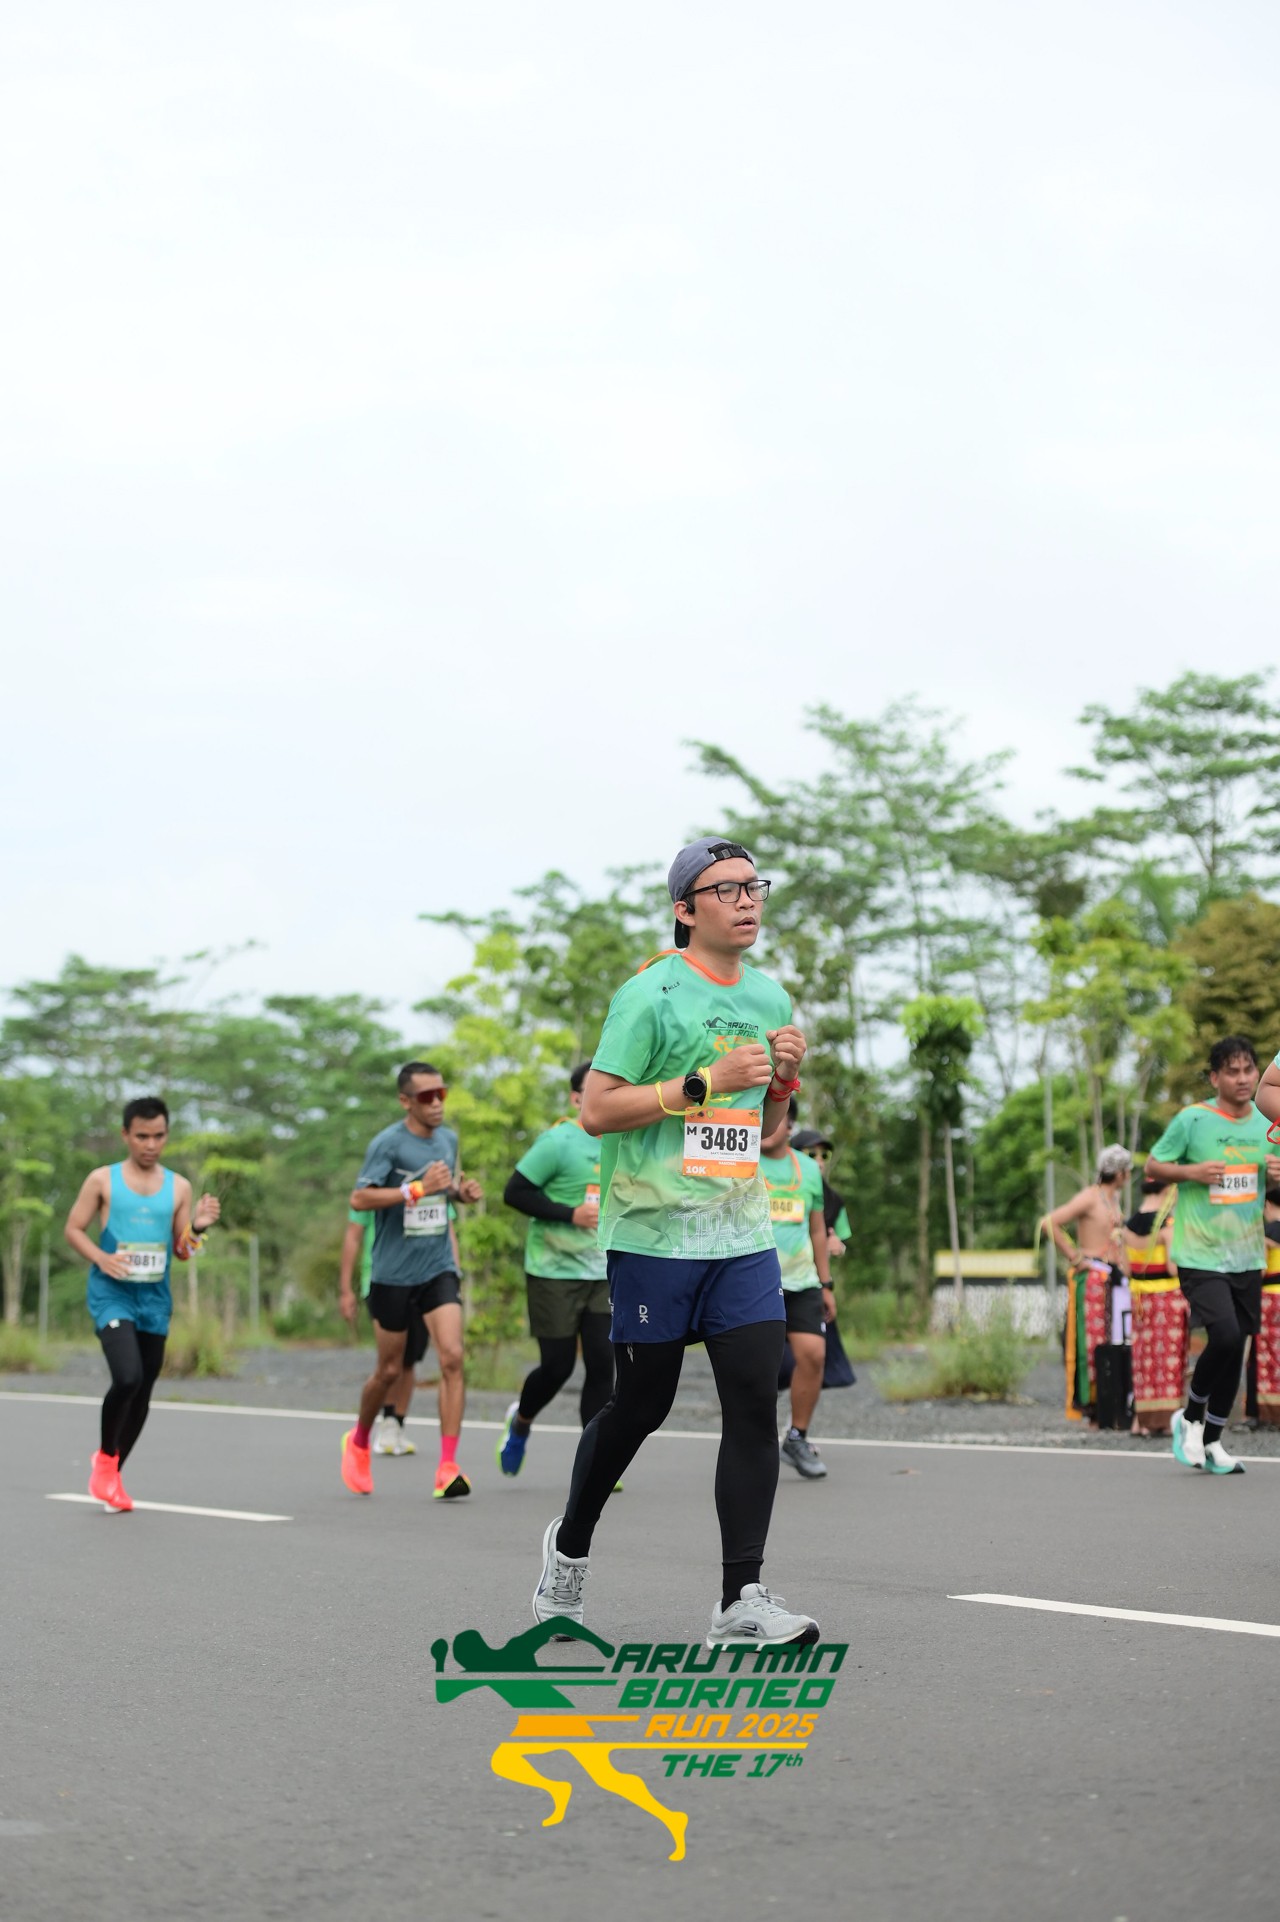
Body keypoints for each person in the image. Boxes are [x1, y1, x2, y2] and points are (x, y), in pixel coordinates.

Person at [531, 836, 818, 1648]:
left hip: (741, 1235)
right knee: (641, 1405)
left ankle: (740, 1598)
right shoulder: (648, 994)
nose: (747, 900)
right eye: (726, 889)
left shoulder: (769, 996)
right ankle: (569, 1550)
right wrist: (702, 1083)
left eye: (754, 886)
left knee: (753, 1402)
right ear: (685, 909)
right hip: (653, 1236)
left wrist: (782, 1082)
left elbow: (764, 1127)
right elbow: (597, 1110)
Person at [64, 1096, 221, 1511]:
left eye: (159, 1136)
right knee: (128, 1377)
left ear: (166, 1135)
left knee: (144, 1389)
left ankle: (112, 1474)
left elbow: (182, 1251)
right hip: (112, 1293)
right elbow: (73, 1229)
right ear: (125, 1135)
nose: (151, 1145)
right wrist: (101, 1258)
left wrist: (198, 1228)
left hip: (154, 1298)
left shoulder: (179, 1186)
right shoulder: (102, 1180)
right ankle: (105, 1459)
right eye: (142, 1136)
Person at [340, 1063, 482, 1500]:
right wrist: (414, 1190)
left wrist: (459, 1193)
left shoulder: (448, 1140)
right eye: (426, 1097)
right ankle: (359, 1441)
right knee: (388, 1369)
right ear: (406, 1101)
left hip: (437, 1267)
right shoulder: (388, 1144)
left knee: (452, 1358)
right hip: (392, 1274)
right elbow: (360, 1197)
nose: (437, 1103)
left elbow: (444, 1189)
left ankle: (447, 1467)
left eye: (441, 1093)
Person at [1148, 1036, 1280, 1475]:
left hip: (1248, 1254)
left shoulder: (1267, 1124)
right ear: (1214, 1077)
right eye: (1232, 1071)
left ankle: (1213, 1441)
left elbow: (1271, 1186)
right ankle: (1189, 1419)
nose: (1242, 1079)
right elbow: (1153, 1166)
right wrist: (1192, 1171)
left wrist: (1277, 1174)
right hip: (1199, 1253)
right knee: (1223, 1335)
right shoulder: (1193, 1120)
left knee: (1236, 1346)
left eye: (1248, 1070)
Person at [497, 1061, 613, 1477]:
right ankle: (521, 1421)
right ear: (577, 1097)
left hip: (603, 1273)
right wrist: (569, 1214)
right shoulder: (557, 1142)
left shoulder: (624, 1140)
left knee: (602, 1364)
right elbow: (515, 1193)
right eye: (594, 1087)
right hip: (554, 1272)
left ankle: (594, 1462)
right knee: (558, 1366)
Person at [762, 1110, 835, 1480]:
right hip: (755, 1283)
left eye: (769, 1115)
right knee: (758, 1367)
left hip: (802, 1282)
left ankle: (796, 1437)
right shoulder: (741, 1161)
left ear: (788, 1126)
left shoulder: (807, 1170)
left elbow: (817, 1230)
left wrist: (826, 1283)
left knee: (814, 1355)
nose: (761, 1122)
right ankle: (754, 1440)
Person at [1043, 1145, 1132, 1420]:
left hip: (1114, 1279)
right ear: (1119, 1173)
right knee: (1093, 1341)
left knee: (1115, 1339)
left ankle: (1111, 1403)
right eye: (1127, 1171)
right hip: (1093, 1275)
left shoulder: (1113, 1199)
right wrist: (1075, 1256)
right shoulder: (1090, 1197)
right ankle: (1091, 1403)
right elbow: (1049, 1223)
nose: (1129, 1176)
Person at [339, 1206, 419, 1456]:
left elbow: (446, 1230)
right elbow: (354, 1234)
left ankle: (397, 1424)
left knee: (410, 1359)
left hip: (422, 1281)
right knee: (390, 1362)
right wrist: (345, 1290)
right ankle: (379, 1425)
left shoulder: (432, 1186)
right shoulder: (373, 1189)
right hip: (381, 1280)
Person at [1123, 1177, 1185, 1438]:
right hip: (1166, 1299)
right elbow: (1173, 1267)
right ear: (1168, 1190)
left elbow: (1127, 1269)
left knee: (1142, 1358)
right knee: (1167, 1359)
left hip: (1139, 1300)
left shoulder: (1128, 1226)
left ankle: (1141, 1421)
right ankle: (1165, 1420)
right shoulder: (1168, 1224)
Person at [791, 1127, 851, 1260]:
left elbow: (843, 1241)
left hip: (814, 1270)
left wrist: (839, 1246)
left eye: (824, 1155)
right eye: (811, 1154)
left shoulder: (835, 1200)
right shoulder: (770, 1189)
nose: (819, 1162)